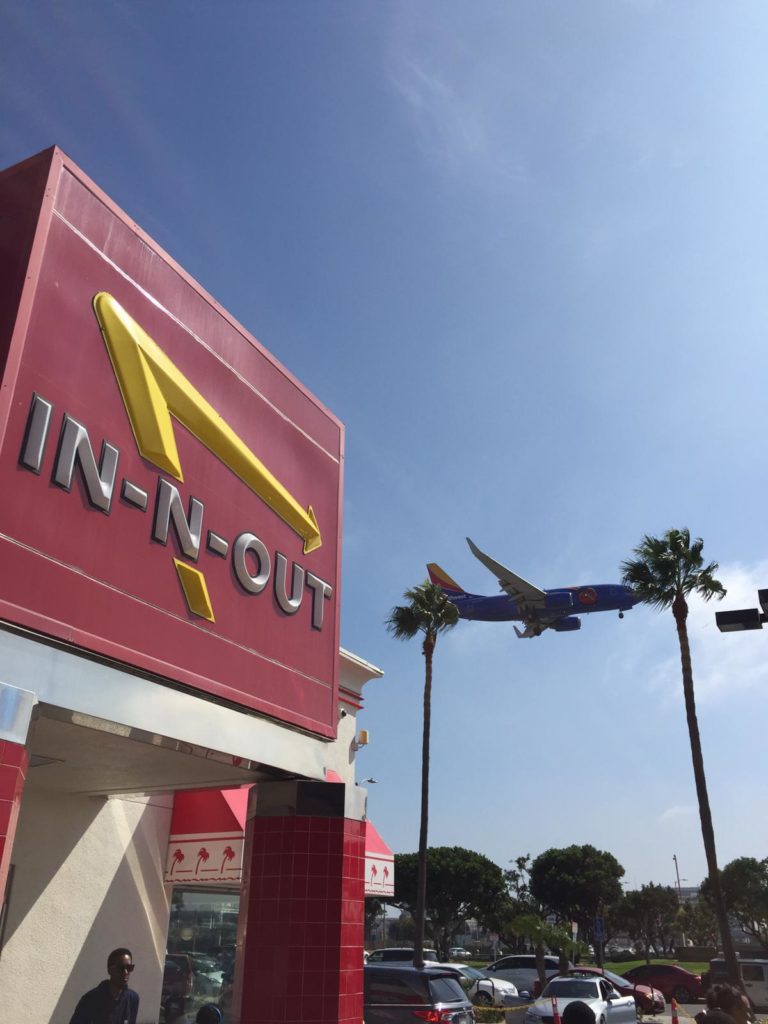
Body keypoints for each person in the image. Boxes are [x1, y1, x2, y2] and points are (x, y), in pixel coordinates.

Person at [69, 947, 140, 1024]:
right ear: (109, 970)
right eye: (120, 968)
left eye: (129, 968)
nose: (125, 972)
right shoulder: (90, 999)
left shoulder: (133, 999)